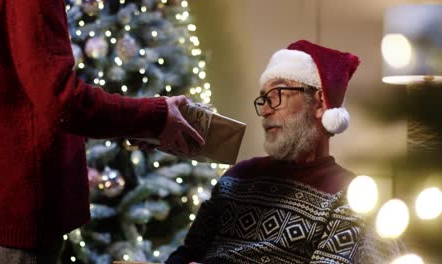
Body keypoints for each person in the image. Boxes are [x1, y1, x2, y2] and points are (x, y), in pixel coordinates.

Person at [0, 0, 204, 263]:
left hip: (24, 196)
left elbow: (35, 96)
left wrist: (133, 124)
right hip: (30, 202)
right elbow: (61, 99)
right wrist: (155, 115)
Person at [166, 40, 405, 264]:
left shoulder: (352, 197)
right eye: (263, 99)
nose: (266, 110)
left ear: (320, 103)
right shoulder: (237, 177)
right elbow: (186, 254)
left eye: (276, 95)